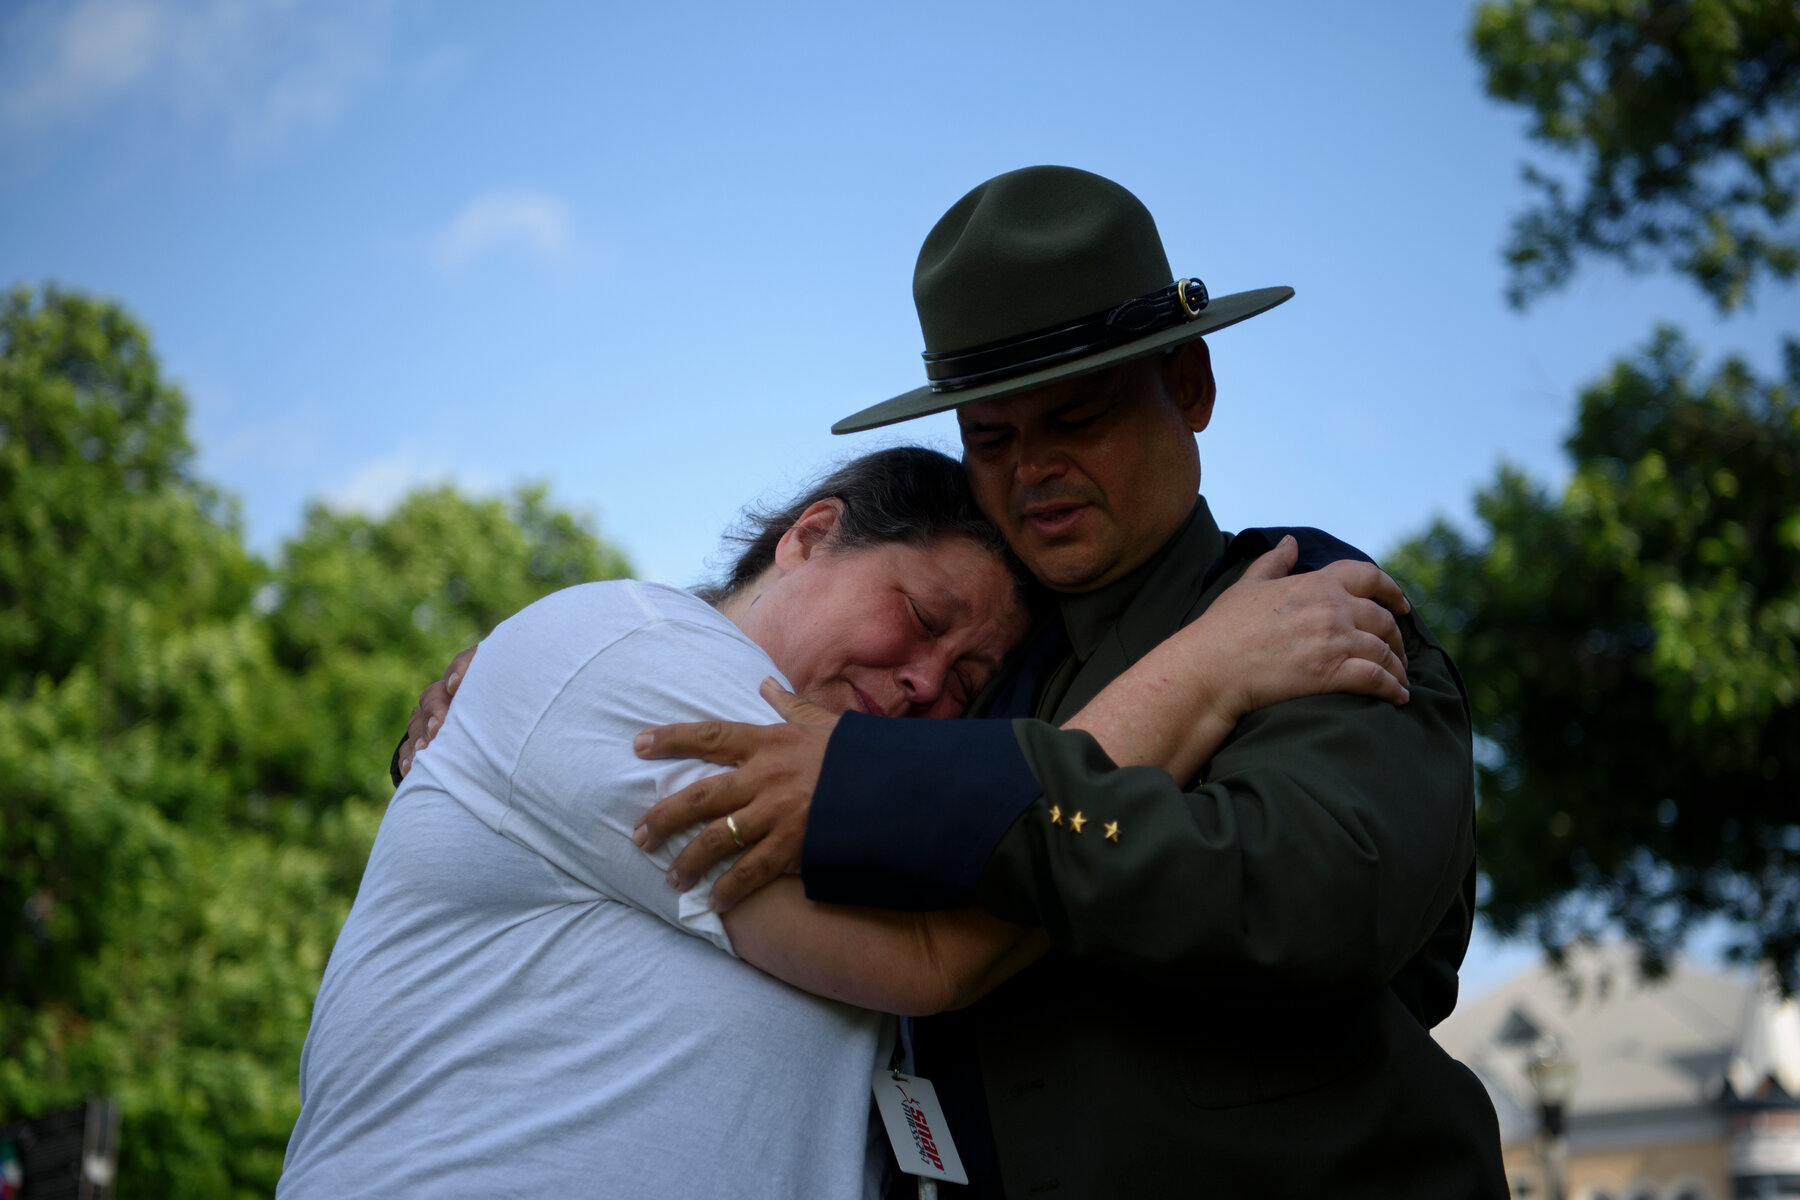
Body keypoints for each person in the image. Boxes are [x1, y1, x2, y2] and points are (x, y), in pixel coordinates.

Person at [624, 166, 1513, 1197]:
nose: (1029, 468)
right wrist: (507, 685)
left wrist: (904, 794)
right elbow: (734, 708)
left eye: (1076, 417)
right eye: (990, 437)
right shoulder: (968, 679)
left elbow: (1306, 892)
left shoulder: (1305, 607)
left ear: (1189, 385)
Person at [302, 447, 1413, 1198]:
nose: (931, 682)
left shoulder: (841, 799)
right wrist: (1211, 668)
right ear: (810, 534)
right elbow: (930, 956)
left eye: (970, 675)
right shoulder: (638, 659)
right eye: (921, 617)